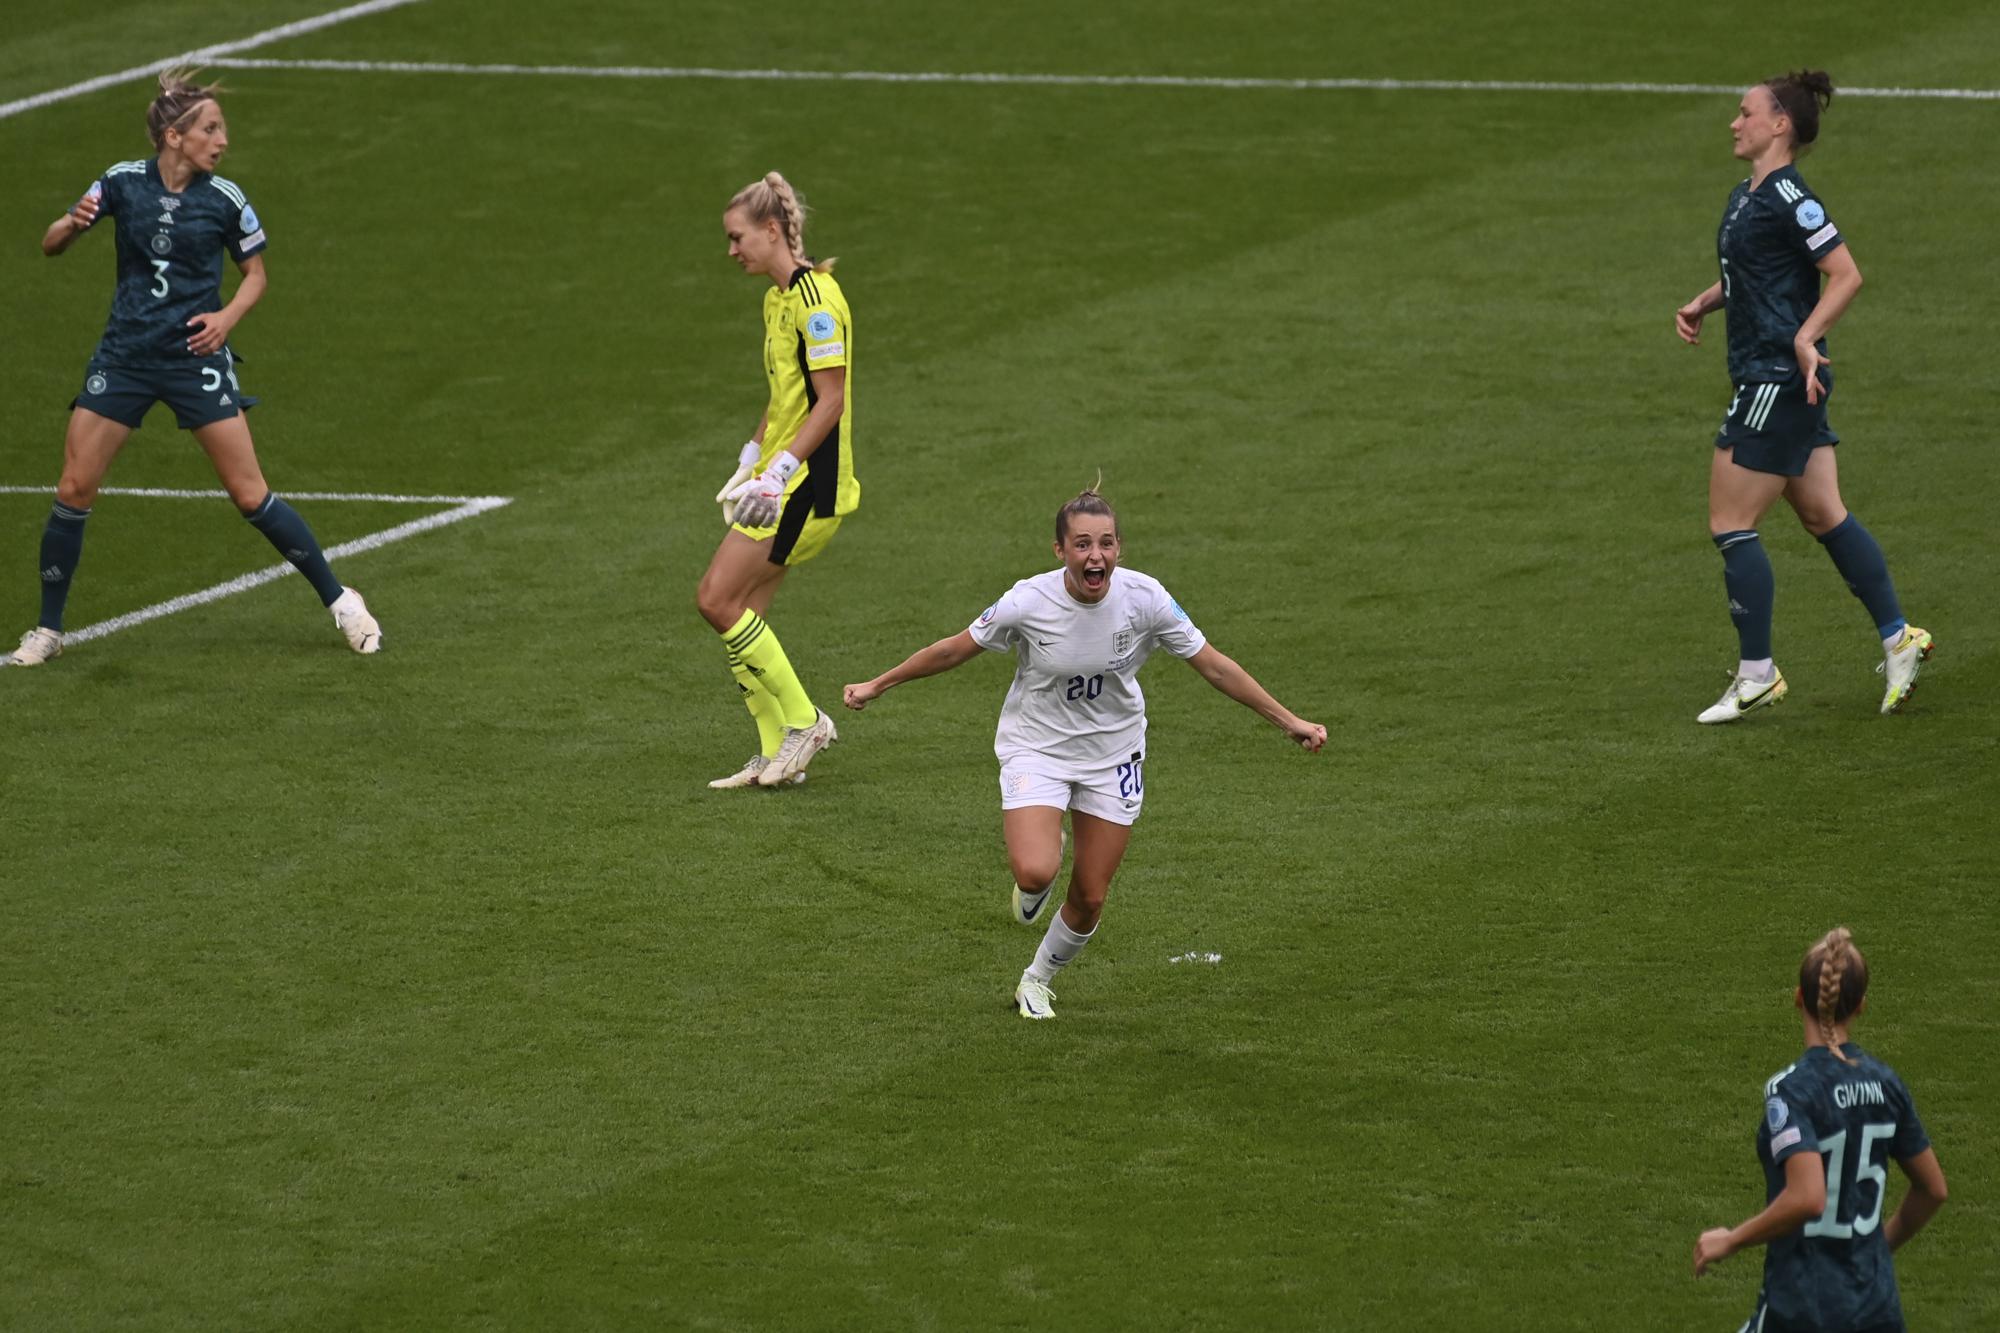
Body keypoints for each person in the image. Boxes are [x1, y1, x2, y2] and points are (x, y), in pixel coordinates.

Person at [842, 484, 1326, 1019]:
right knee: (1035, 871)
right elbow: (954, 648)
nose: (1096, 556)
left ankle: (1036, 980)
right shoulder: (1028, 601)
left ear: (1119, 547)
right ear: (1060, 551)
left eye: (1107, 544)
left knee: (1091, 895)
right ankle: (1036, 881)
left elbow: (1214, 665)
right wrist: (878, 684)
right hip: (1037, 747)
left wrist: (1290, 721)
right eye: (1082, 545)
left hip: (1113, 753)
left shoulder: (1145, 599)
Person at [4, 70, 380, 667]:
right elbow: (50, 243)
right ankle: (47, 629)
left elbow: (256, 277)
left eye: (220, 128)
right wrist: (71, 225)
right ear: (174, 137)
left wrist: (226, 320)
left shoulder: (225, 200)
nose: (222, 139)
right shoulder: (121, 183)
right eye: (210, 128)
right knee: (74, 487)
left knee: (249, 494)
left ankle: (341, 599)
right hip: (124, 357)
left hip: (194, 361)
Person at [1674, 69, 1928, 724]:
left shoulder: (1790, 196)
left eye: (1745, 112)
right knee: (1825, 516)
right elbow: (1754, 273)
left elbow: (1845, 273)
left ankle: (1757, 671)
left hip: (1775, 381)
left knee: (1730, 524)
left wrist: (1807, 337)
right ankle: (1900, 640)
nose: (1735, 122)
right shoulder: (1745, 195)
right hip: (1775, 377)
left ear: (1779, 123)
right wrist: (1706, 301)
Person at [1693, 928, 1948, 1331]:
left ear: (1798, 998)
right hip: (1877, 1309)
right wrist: (1878, 1248)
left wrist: (1732, 1238)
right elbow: (1933, 1189)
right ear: (1861, 1006)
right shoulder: (1886, 1083)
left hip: (1804, 1307)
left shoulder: (1791, 1091)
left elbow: (1808, 1197)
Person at [697, 171, 855, 788]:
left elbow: (831, 399)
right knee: (745, 609)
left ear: (771, 231)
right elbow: (787, 395)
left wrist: (780, 471)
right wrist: (751, 455)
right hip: (777, 480)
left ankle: (805, 721)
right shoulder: (777, 299)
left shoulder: (818, 302)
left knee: (715, 598)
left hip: (807, 488)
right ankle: (773, 753)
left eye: (738, 237)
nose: (732, 250)